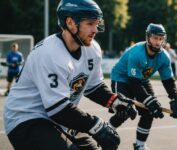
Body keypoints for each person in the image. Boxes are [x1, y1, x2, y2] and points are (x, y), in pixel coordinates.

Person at [3, 0, 136, 149]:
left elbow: (94, 86)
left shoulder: (92, 49)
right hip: (26, 118)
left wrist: (114, 101)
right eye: (90, 23)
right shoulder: (50, 53)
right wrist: (97, 126)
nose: (95, 30)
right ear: (70, 22)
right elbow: (58, 108)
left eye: (97, 23)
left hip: (58, 117)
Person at [109, 23, 177, 150]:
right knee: (124, 110)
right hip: (122, 79)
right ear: (148, 37)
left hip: (141, 80)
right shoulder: (137, 53)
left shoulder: (164, 56)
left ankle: (140, 146)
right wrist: (147, 100)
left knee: (149, 112)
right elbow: (133, 82)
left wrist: (175, 98)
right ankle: (105, 131)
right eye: (155, 38)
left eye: (161, 39)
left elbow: (168, 81)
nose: (158, 42)